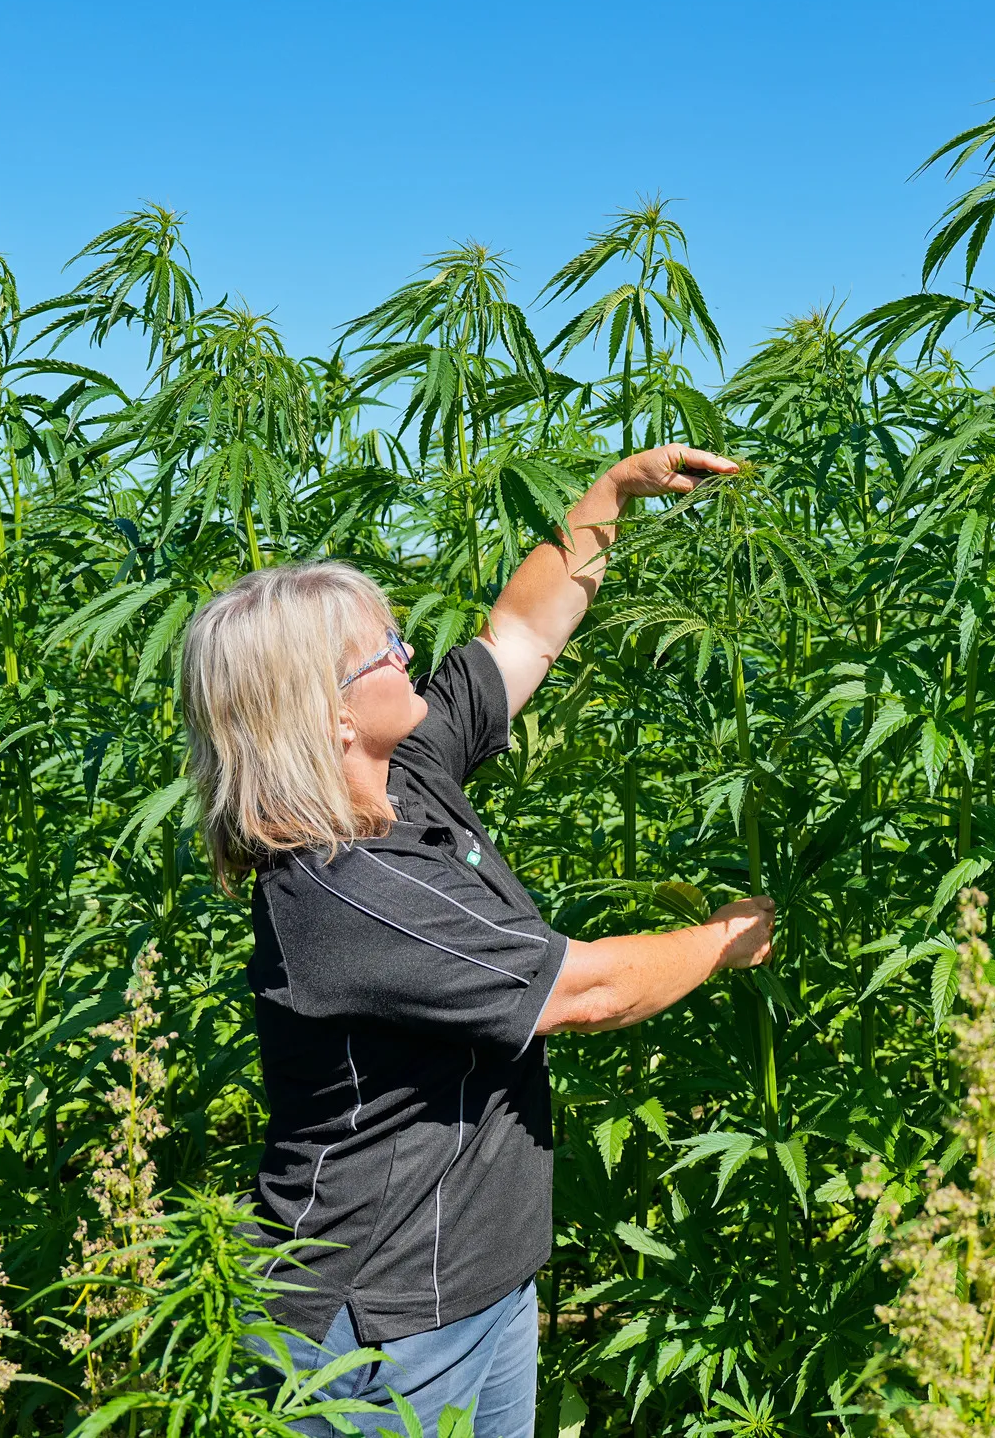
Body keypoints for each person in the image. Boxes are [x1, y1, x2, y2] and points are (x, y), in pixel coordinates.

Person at [180, 442, 776, 1438]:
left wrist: (611, 494)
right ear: (329, 715)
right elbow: (582, 992)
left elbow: (521, 633)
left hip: (477, 1279)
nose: (408, 653)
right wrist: (726, 938)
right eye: (383, 650)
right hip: (379, 1321)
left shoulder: (401, 771)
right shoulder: (341, 892)